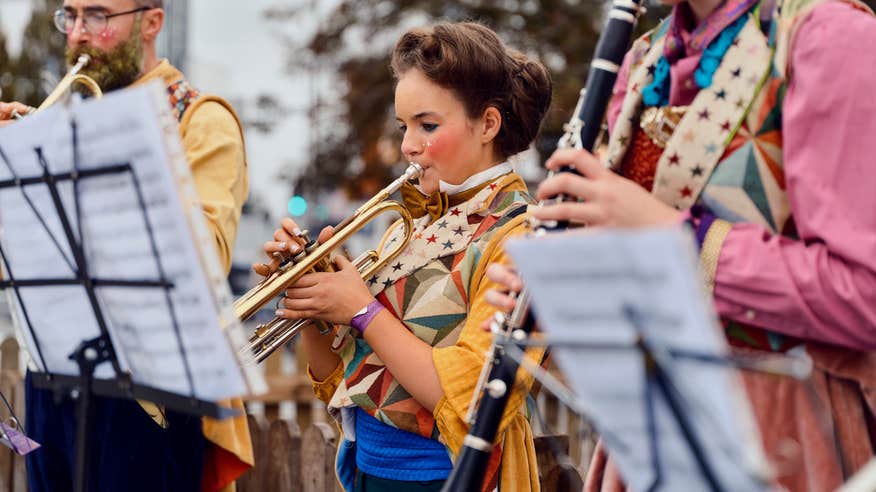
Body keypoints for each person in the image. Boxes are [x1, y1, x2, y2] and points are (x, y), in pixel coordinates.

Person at [486, 0, 876, 490]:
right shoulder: (644, 58)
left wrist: (683, 241)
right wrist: (569, 293)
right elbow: (632, 262)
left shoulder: (829, 37)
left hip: (784, 435)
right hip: (652, 431)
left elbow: (863, 293)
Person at [256, 22, 552, 491]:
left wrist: (360, 308)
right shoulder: (407, 225)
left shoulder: (525, 238)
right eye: (404, 126)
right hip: (371, 471)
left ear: (488, 124)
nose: (407, 145)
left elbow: (471, 397)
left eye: (427, 125)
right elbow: (341, 379)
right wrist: (308, 297)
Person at [1, 1, 252, 491]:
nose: (77, 33)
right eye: (68, 17)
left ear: (151, 22)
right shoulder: (61, 117)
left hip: (148, 396)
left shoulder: (201, 119)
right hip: (52, 379)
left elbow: (206, 260)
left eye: (97, 16)